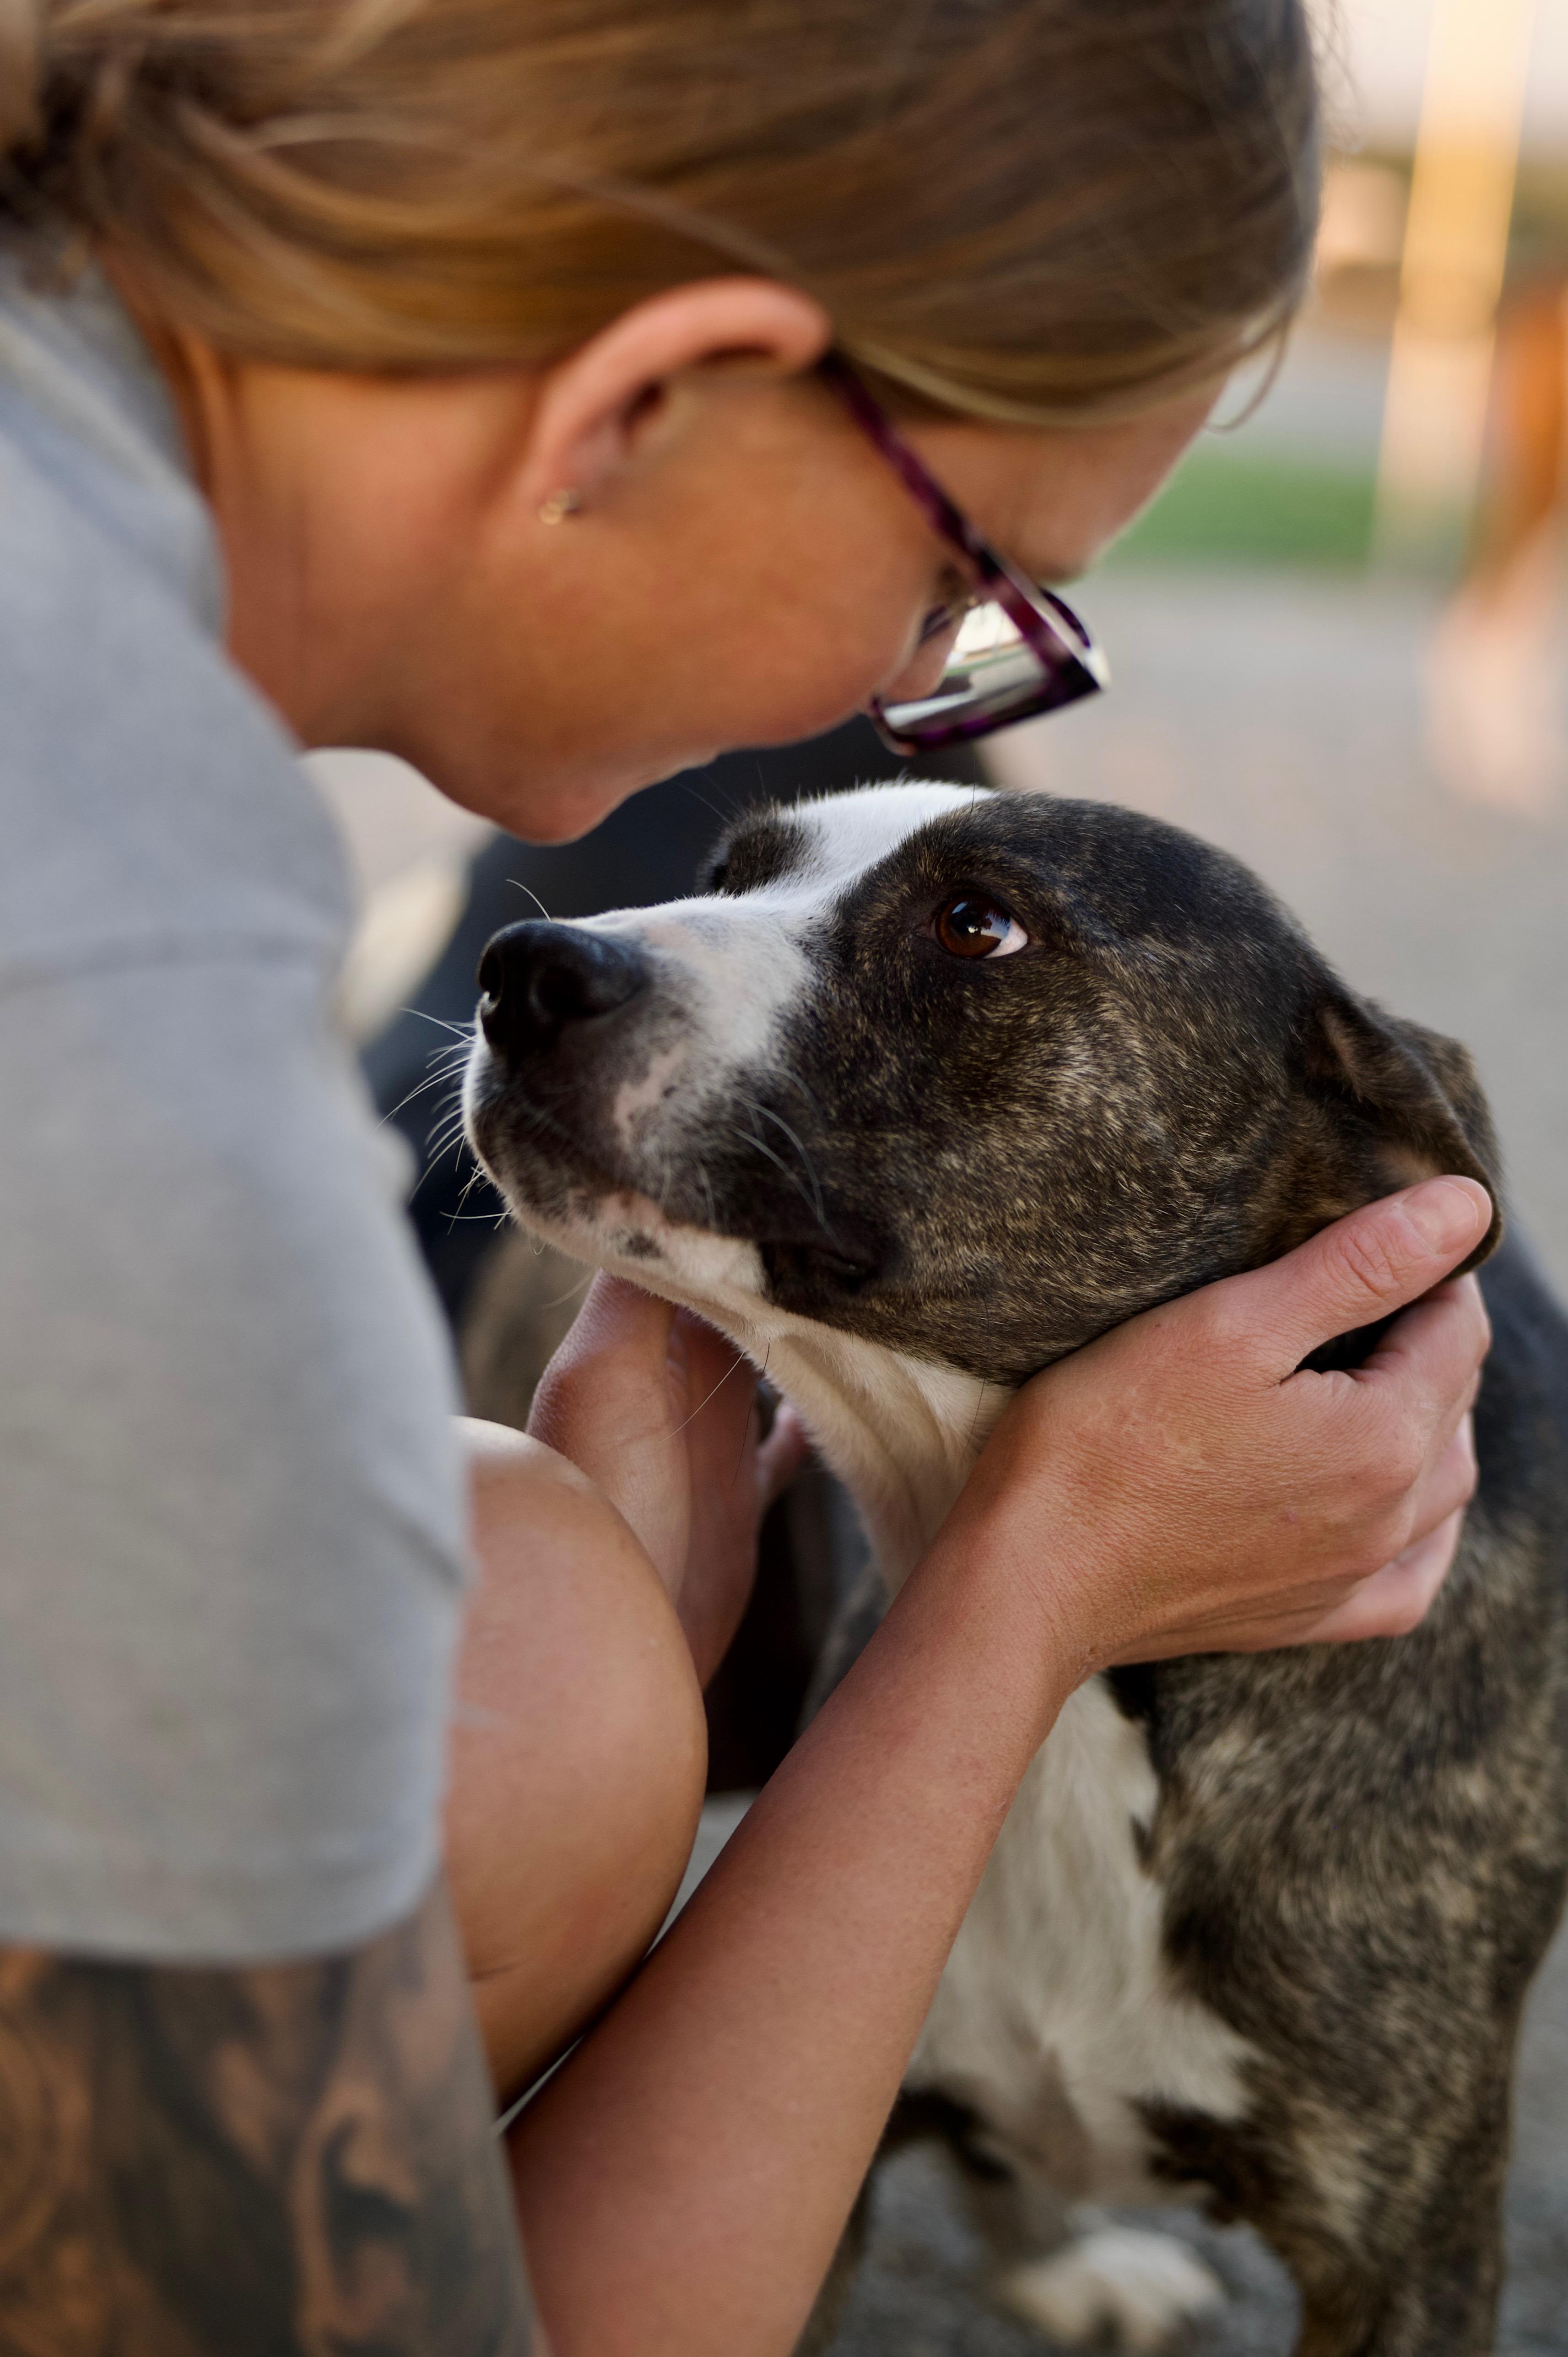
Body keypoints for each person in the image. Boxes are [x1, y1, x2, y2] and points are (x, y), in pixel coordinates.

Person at [0, 5, 1491, 2352]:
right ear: (651, 392)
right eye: (961, 592)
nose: (926, 687)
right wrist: (1015, 1602)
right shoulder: (110, 996)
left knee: (537, 1633)